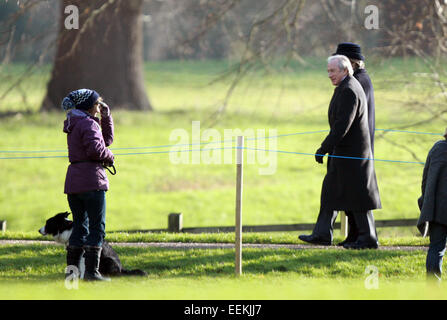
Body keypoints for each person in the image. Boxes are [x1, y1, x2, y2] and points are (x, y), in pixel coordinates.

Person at [299, 55, 381, 249]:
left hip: (352, 156)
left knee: (357, 198)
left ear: (345, 70)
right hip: (344, 155)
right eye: (328, 71)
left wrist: (323, 148)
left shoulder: (349, 90)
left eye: (332, 71)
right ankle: (324, 234)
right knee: (331, 192)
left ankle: (368, 238)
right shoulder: (345, 87)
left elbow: (341, 126)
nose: (329, 75)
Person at [62, 88, 115, 281]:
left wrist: (106, 118)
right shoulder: (88, 124)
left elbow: (105, 140)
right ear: (89, 106)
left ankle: (72, 275)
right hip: (92, 181)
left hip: (74, 183)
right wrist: (110, 158)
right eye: (97, 103)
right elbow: (98, 150)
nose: (99, 106)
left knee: (79, 229)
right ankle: (92, 274)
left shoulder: (74, 123)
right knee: (96, 229)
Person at [332, 42, 377, 247]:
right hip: (355, 146)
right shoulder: (357, 80)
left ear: (352, 63)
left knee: (358, 193)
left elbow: (349, 117)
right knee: (351, 191)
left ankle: (365, 237)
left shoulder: (357, 82)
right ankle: (355, 236)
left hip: (356, 146)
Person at [417, 129, 447, 281]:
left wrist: (426, 201)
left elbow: (425, 180)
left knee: (436, 248)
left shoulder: (437, 149)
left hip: (437, 209)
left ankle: (433, 289)